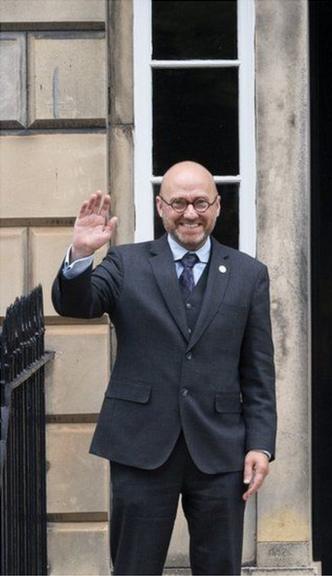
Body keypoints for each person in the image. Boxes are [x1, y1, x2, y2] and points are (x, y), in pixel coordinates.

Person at [52, 161, 277, 575]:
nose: (189, 213)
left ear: (217, 206)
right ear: (160, 207)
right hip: (140, 444)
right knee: (135, 566)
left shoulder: (249, 275)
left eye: (199, 202)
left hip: (220, 449)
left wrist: (260, 445)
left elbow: (258, 372)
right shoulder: (125, 263)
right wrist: (82, 255)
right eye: (178, 203)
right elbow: (76, 304)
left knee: (219, 567)